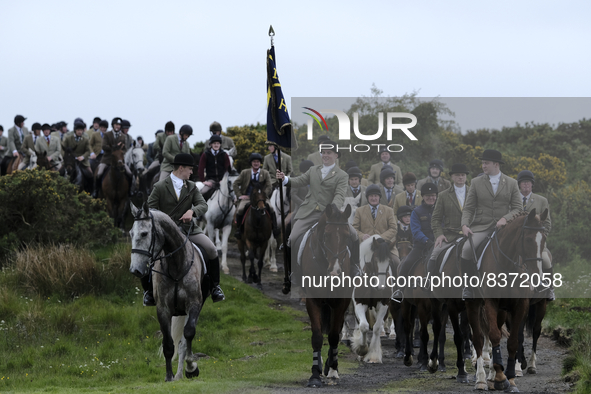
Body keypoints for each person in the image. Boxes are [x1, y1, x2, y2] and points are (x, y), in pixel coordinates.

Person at [146, 153, 225, 304]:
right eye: (190, 169)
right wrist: (163, 221)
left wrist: (192, 211)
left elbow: (203, 205)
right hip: (166, 233)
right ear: (181, 168)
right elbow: (150, 209)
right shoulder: (160, 186)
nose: (192, 172)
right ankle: (149, 292)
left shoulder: (191, 187)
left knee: (212, 249)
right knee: (148, 255)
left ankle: (215, 287)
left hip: (189, 229)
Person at [276, 140, 355, 264]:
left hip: (330, 213)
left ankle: (354, 268)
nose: (325, 155)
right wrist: (284, 179)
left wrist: (333, 209)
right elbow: (299, 181)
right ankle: (294, 271)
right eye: (323, 152)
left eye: (329, 152)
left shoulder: (342, 175)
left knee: (354, 235)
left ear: (336, 155)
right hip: (309, 212)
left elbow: (339, 195)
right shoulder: (313, 170)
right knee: (292, 237)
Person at [460, 149, 522, 299]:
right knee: (466, 250)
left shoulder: (512, 183)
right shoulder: (475, 182)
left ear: (496, 164)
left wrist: (505, 219)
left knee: (523, 250)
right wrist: (464, 225)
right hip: (482, 226)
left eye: (486, 163)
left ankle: (524, 286)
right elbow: (468, 208)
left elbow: (518, 208)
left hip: (504, 228)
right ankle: (468, 287)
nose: (483, 166)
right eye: (482, 163)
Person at [424, 163, 470, 289]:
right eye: (457, 175)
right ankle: (429, 282)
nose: (460, 177)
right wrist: (439, 235)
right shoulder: (443, 195)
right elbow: (436, 219)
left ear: (466, 177)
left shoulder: (474, 193)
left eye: (462, 175)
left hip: (470, 234)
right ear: (452, 177)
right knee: (435, 253)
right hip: (450, 235)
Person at [391, 183, 439, 302]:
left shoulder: (440, 210)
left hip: (439, 244)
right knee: (406, 263)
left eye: (433, 195)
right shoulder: (416, 212)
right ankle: (400, 290)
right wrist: (427, 241)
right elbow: (416, 231)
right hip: (421, 246)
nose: (431, 198)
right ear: (422, 196)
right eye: (428, 196)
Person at [518, 170, 554, 301]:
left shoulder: (541, 200)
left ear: (532, 185)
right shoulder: (513, 199)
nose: (526, 185)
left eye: (528, 183)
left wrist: (538, 237)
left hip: (536, 243)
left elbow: (547, 223)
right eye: (523, 183)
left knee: (546, 259)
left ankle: (549, 288)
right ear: (519, 185)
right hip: (517, 242)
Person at [352, 183, 399, 268]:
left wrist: (379, 238)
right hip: (365, 247)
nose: (373, 198)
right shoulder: (359, 211)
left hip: (385, 246)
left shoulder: (389, 210)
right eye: (371, 196)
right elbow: (354, 228)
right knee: (353, 265)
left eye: (375, 196)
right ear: (367, 197)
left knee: (397, 262)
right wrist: (362, 236)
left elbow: (393, 228)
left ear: (379, 197)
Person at [233, 152, 279, 239]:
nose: (256, 163)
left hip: (261, 198)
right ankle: (238, 230)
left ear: (260, 163)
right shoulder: (244, 172)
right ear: (251, 163)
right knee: (240, 210)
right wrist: (240, 195)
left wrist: (263, 195)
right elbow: (235, 184)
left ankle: (275, 229)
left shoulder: (265, 173)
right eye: (254, 161)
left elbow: (269, 186)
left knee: (272, 208)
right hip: (247, 197)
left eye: (258, 162)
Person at [93, 117, 132, 198]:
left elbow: (124, 149)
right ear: (113, 125)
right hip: (107, 159)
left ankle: (129, 192)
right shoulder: (107, 134)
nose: (117, 126)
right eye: (116, 125)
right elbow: (103, 146)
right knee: (99, 173)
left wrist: (120, 152)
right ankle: (96, 191)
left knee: (130, 173)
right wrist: (114, 148)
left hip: (119, 160)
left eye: (119, 125)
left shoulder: (123, 136)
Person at [198, 134, 231, 201]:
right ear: (211, 144)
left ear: (220, 144)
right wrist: (204, 181)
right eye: (214, 143)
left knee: (232, 194)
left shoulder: (224, 154)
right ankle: (200, 209)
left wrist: (224, 179)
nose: (216, 145)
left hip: (222, 180)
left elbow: (228, 169)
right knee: (202, 192)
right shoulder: (205, 155)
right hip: (211, 180)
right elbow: (200, 169)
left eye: (218, 143)